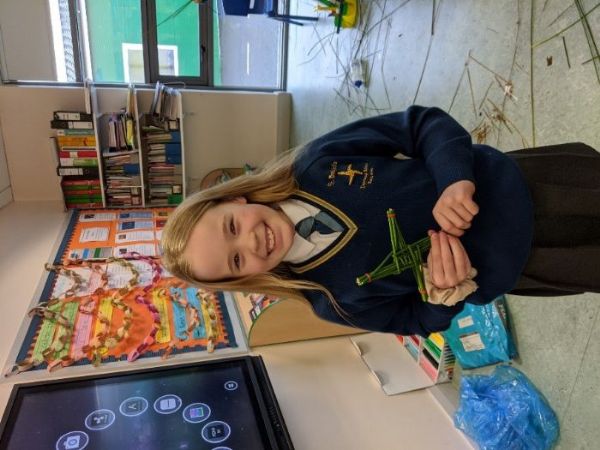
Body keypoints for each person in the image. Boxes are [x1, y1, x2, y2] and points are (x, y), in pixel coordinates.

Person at [161, 105, 600, 337]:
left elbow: (421, 124)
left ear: (233, 198)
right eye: (237, 261)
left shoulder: (317, 163)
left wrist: (453, 178)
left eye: (232, 227)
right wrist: (440, 295)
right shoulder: (332, 302)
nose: (252, 243)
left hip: (530, 183)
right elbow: (414, 321)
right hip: (531, 262)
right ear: (244, 280)